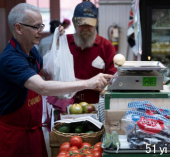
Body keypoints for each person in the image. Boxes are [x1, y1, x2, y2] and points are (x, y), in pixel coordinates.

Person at [0, 3, 114, 157]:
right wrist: (88, 83)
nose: (41, 31)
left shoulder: (32, 51)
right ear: (19, 28)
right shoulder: (11, 59)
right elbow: (43, 87)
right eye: (36, 27)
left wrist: (57, 42)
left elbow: (49, 74)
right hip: (15, 136)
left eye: (41, 25)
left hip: (34, 129)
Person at [66, 0, 117, 104]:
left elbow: (113, 82)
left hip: (97, 107)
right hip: (65, 107)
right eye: (81, 23)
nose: (85, 28)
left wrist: (73, 83)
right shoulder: (63, 44)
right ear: (74, 22)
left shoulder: (106, 46)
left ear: (96, 23)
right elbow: (53, 77)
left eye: (89, 24)